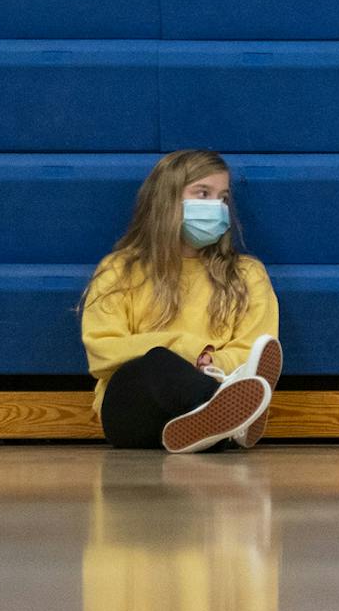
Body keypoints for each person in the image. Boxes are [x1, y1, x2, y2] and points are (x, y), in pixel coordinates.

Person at [81, 149, 282, 453]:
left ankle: (212, 421)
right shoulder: (120, 270)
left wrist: (212, 363)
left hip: (207, 393)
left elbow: (255, 349)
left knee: (217, 384)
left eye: (223, 198)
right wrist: (187, 350)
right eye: (203, 193)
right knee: (158, 360)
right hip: (131, 411)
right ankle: (225, 419)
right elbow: (102, 351)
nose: (215, 206)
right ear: (168, 200)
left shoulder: (247, 274)